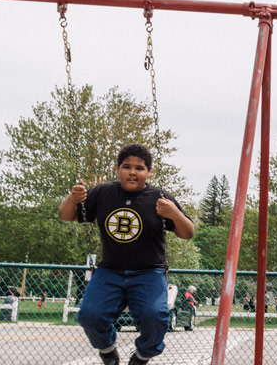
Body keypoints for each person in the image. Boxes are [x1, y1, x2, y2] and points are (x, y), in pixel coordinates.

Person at [59, 144, 195, 365]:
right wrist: (72, 198)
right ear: (117, 169)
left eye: (140, 168)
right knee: (89, 315)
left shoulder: (159, 197)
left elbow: (187, 233)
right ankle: (107, 350)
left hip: (149, 271)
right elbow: (67, 215)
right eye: (126, 167)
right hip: (110, 270)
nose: (133, 172)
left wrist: (174, 213)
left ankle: (142, 356)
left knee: (154, 317)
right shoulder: (103, 193)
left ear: (149, 172)